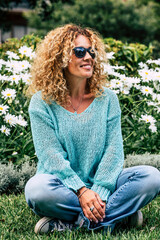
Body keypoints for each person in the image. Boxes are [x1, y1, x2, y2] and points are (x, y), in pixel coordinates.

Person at [25, 24, 160, 234]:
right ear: (60, 57)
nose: (88, 57)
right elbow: (50, 156)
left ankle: (75, 223)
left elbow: (113, 151)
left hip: (104, 184)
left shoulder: (108, 99)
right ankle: (119, 215)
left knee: (151, 177)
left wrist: (99, 191)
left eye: (91, 51)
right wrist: (81, 191)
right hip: (63, 187)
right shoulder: (41, 103)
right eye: (79, 51)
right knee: (37, 190)